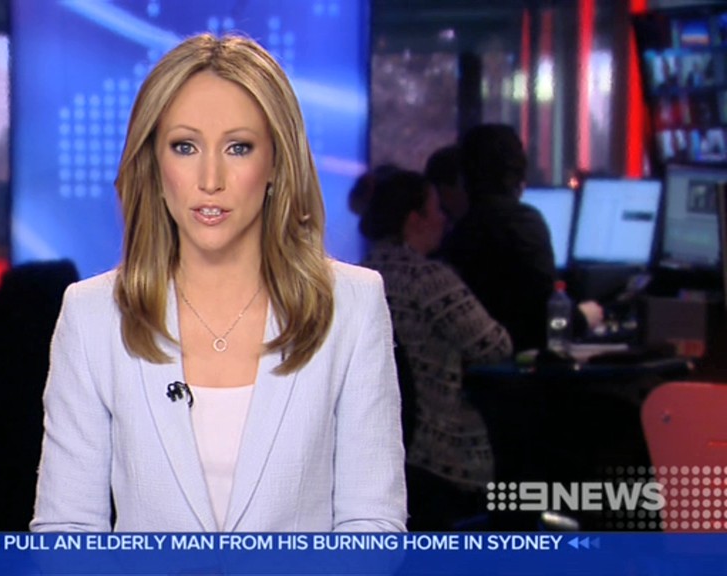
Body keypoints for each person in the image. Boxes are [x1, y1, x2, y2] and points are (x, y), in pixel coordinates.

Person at [31, 33, 407, 533]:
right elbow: (68, 531)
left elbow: (372, 523)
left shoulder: (352, 306)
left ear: (276, 162)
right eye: (184, 147)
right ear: (154, 164)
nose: (210, 179)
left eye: (238, 147)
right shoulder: (92, 315)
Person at [360, 170, 512, 530]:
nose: (445, 219)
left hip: (370, 454)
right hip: (439, 454)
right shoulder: (428, 279)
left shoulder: (356, 277)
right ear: (415, 219)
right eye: (436, 210)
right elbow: (495, 345)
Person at [444, 124, 600, 352]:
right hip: (520, 362)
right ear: (517, 173)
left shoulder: (456, 231)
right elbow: (547, 315)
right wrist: (584, 318)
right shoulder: (522, 223)